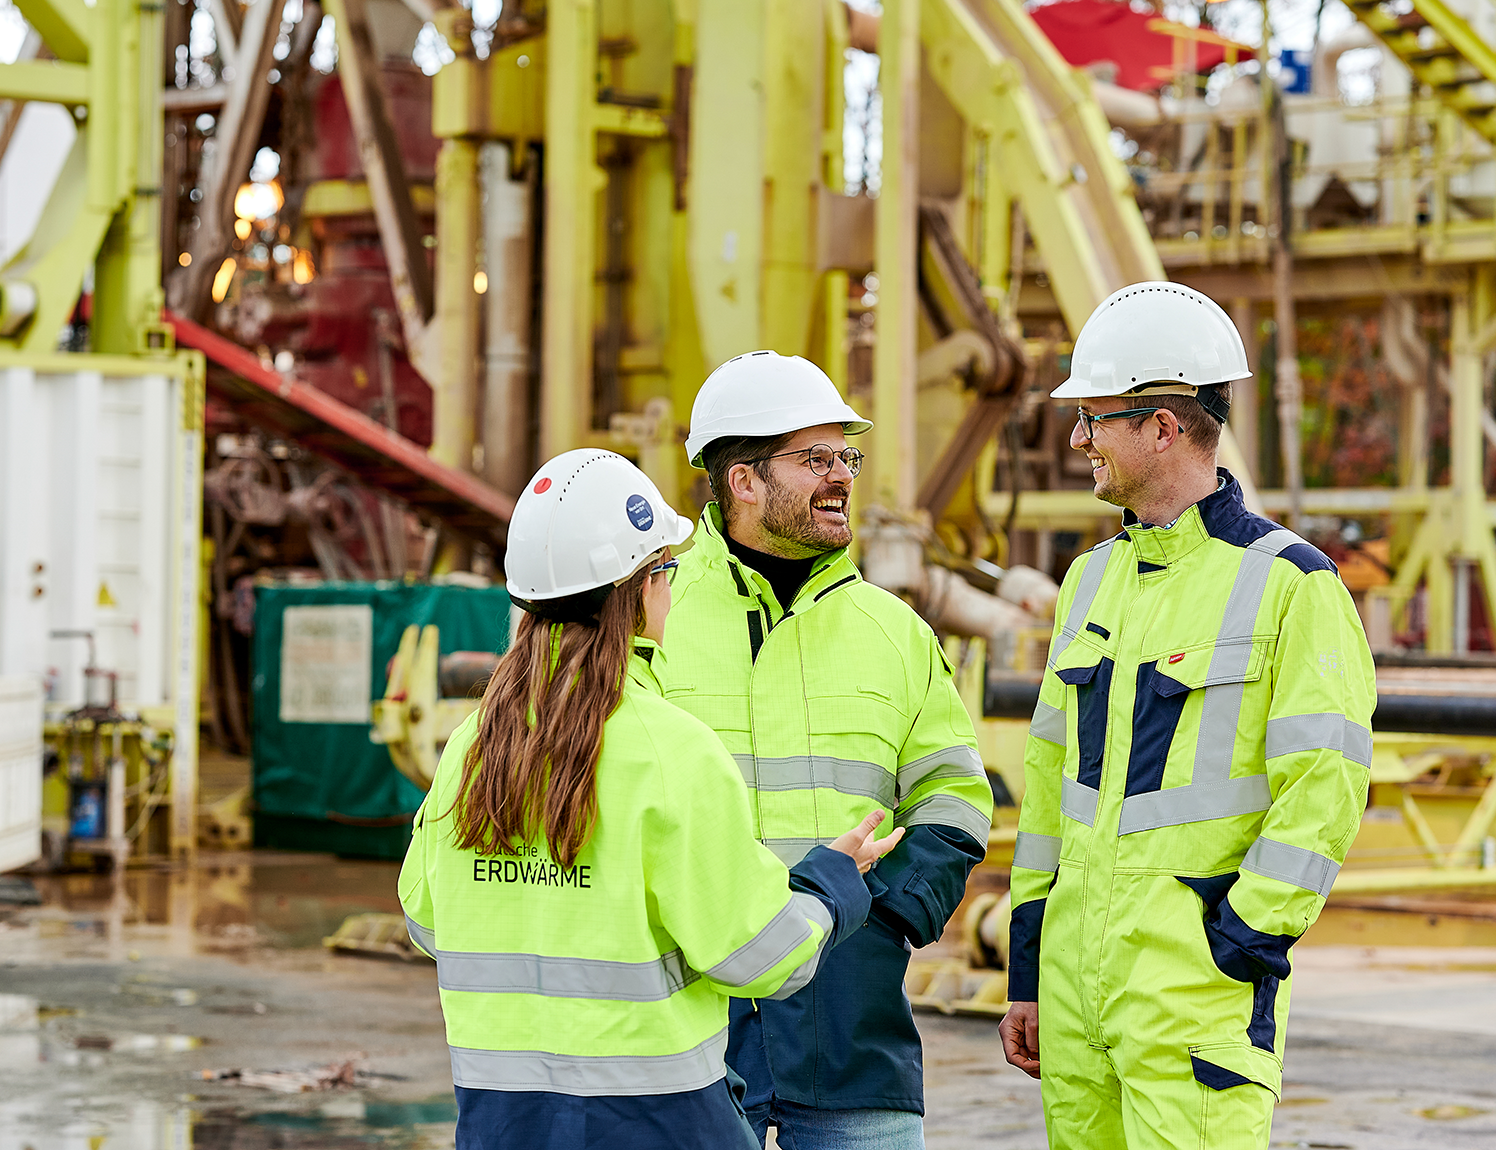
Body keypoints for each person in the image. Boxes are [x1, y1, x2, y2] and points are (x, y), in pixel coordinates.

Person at [399, 447, 904, 1150]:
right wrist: (833, 883)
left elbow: (429, 924)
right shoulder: (670, 750)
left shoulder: (473, 745)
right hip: (659, 1124)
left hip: (502, 1125)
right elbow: (759, 956)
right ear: (640, 589)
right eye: (666, 570)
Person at [996, 282, 1375, 1148]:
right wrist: (1031, 969)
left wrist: (1239, 943)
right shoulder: (1089, 582)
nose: (1078, 439)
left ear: (1164, 426)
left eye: (1095, 418)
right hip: (1075, 997)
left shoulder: (1292, 584)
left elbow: (1326, 788)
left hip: (1197, 999)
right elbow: (1050, 793)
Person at [658, 351, 996, 1149]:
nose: (842, 474)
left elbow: (955, 792)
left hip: (855, 1028)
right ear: (742, 480)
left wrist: (883, 921)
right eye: (816, 459)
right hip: (690, 1031)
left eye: (846, 455)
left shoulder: (894, 630)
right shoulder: (650, 613)